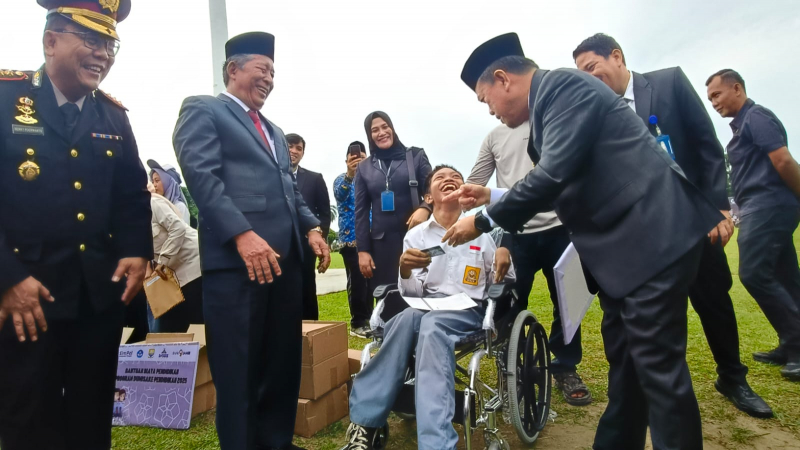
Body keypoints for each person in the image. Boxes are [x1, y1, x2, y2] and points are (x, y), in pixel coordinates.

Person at [444, 33, 723, 450]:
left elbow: (552, 175)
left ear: (503, 80)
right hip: (627, 258)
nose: (493, 112)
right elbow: (569, 180)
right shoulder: (553, 101)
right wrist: (494, 195)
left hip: (649, 242)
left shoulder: (561, 87)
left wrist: (482, 220)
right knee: (628, 373)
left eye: (487, 100)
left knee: (661, 379)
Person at [572, 33, 772, 417]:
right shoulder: (596, 113)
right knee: (655, 314)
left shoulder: (668, 83)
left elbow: (706, 146)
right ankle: (655, 393)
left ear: (616, 56)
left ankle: (733, 376)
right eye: (582, 74)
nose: (589, 78)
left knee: (713, 299)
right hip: (641, 234)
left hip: (695, 220)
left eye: (592, 67)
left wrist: (718, 207)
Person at [0, 1, 152, 449]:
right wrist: (7, 279)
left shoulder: (112, 115)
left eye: (109, 44)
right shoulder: (7, 99)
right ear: (50, 41)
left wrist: (136, 249)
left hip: (96, 300)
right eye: (90, 40)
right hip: (27, 302)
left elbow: (131, 194)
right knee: (28, 421)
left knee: (90, 421)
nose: (102, 54)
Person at [173, 32, 330, 450]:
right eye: (262, 70)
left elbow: (289, 191)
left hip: (284, 266)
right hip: (237, 266)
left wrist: (312, 228)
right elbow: (202, 178)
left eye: (274, 73)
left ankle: (275, 442)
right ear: (233, 70)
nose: (269, 79)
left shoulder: (276, 131)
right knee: (239, 369)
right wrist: (242, 234)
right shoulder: (204, 110)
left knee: (280, 366)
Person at [343, 165, 514, 450]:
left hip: (467, 311)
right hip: (426, 307)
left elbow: (503, 281)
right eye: (440, 178)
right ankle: (364, 424)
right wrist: (405, 270)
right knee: (404, 318)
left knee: (432, 326)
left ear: (465, 194)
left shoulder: (482, 234)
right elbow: (412, 292)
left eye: (456, 178)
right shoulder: (416, 237)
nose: (449, 180)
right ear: (428, 197)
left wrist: (504, 253)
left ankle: (436, 444)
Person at [467, 121, 591, 405]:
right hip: (515, 233)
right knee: (509, 302)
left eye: (489, 100)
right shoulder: (494, 137)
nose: (490, 110)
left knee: (567, 302)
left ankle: (565, 367)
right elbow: (474, 184)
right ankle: (517, 367)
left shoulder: (550, 124)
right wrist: (430, 205)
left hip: (561, 228)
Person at [706, 69, 800, 381]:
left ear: (737, 88)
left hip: (769, 203)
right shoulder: (741, 126)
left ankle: (797, 342)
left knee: (754, 273)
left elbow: (783, 160)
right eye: (710, 99)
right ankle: (790, 344)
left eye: (717, 95)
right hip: (760, 205)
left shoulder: (756, 117)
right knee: (786, 276)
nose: (714, 103)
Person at [355, 112, 432, 316]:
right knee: (388, 302)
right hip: (382, 248)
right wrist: (362, 250)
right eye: (374, 130)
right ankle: (391, 343)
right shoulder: (364, 168)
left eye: (385, 126)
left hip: (416, 239)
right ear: (369, 135)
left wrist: (425, 207)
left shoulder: (415, 156)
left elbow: (432, 190)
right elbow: (361, 211)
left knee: (419, 296)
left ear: (392, 128)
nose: (381, 133)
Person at [287, 133, 331, 320]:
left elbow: (324, 213)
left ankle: (312, 332)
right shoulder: (267, 176)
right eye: (290, 146)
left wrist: (319, 240)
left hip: (306, 246)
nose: (294, 151)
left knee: (306, 289)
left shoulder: (314, 179)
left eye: (299, 148)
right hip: (277, 245)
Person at [147, 186, 203, 332]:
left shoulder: (153, 203)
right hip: (169, 277)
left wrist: (163, 259)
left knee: (196, 324)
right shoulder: (127, 218)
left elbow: (178, 228)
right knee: (171, 328)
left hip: (192, 268)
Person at [333, 141, 373, 337]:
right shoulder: (341, 179)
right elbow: (340, 194)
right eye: (353, 157)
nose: (357, 160)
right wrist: (351, 174)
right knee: (357, 282)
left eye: (361, 157)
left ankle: (372, 319)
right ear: (346, 160)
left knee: (373, 284)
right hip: (351, 241)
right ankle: (358, 322)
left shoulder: (374, 179)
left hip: (374, 238)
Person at [147, 159, 191, 223]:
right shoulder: (157, 206)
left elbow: (182, 232)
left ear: (169, 183)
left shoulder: (180, 207)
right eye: (153, 181)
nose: (154, 185)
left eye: (157, 180)